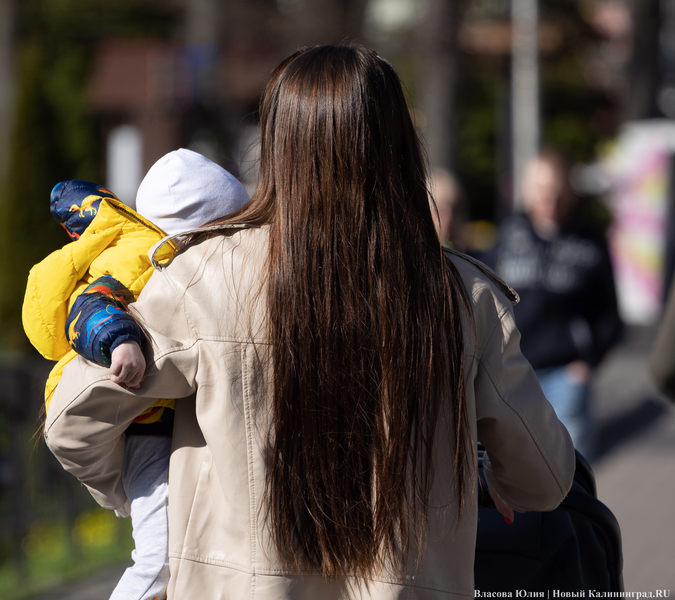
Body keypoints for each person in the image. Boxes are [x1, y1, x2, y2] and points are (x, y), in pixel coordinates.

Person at [44, 45, 574, 599]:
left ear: (275, 145)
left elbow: (71, 423)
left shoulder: (200, 278)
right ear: (399, 147)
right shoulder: (465, 297)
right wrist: (491, 475)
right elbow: (546, 477)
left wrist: (146, 492)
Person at [23, 148, 250, 600]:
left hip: (158, 418)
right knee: (159, 558)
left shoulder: (155, 250)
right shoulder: (140, 254)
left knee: (177, 551)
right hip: (147, 424)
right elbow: (91, 304)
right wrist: (119, 339)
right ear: (200, 229)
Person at [487, 149, 623, 461]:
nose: (549, 202)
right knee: (514, 470)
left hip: (565, 375)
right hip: (511, 373)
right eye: (542, 192)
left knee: (570, 471)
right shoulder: (507, 236)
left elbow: (610, 315)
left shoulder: (589, 243)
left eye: (557, 193)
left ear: (571, 193)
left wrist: (589, 362)